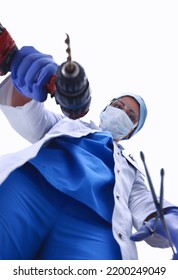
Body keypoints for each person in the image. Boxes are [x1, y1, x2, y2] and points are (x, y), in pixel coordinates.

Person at [0, 46, 178, 260]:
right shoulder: (66, 124)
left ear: (130, 132)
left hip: (96, 226)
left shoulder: (132, 170)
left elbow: (142, 201)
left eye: (130, 116)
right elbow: (29, 118)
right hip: (29, 191)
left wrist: (167, 217)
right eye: (118, 105)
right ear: (105, 109)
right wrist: (25, 81)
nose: (121, 113)